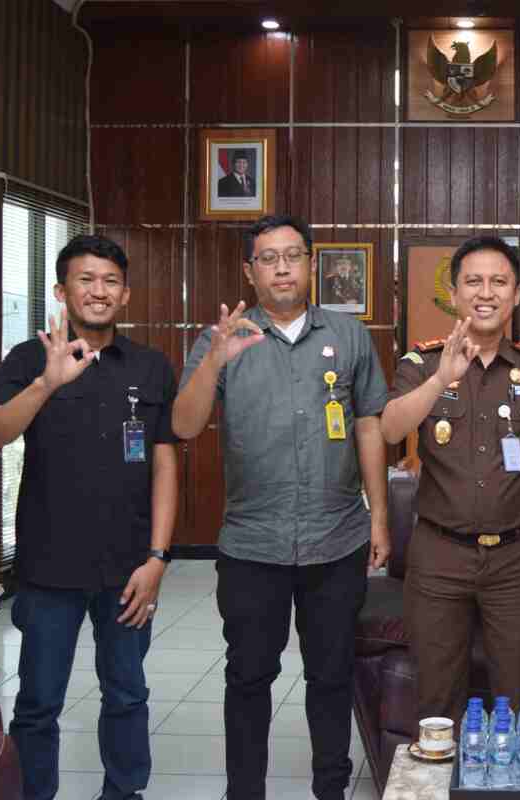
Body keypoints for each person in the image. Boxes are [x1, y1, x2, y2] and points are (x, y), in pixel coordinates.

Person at [171, 214, 390, 800]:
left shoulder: (348, 336)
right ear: (250, 271)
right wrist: (214, 362)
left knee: (331, 675)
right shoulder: (221, 339)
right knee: (248, 677)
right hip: (252, 544)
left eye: (293, 255)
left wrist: (380, 516)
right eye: (268, 258)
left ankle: (331, 789)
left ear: (311, 264)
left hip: (337, 538)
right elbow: (184, 425)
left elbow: (369, 426)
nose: (283, 267)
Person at [0, 234, 179, 800]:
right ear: (61, 291)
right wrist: (46, 383)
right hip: (48, 568)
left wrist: (158, 559)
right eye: (85, 279)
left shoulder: (150, 366)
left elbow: (165, 467)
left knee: (127, 695)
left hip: (128, 569)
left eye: (110, 281)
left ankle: (123, 792)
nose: (98, 291)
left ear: (126, 294)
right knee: (38, 703)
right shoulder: (29, 359)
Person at [381, 236, 520, 724]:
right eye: (474, 281)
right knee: (436, 700)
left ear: (517, 294)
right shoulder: (422, 363)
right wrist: (439, 380)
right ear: (454, 292)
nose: (486, 293)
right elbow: (391, 429)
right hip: (439, 556)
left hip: (518, 559)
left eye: (499, 282)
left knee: (519, 697)